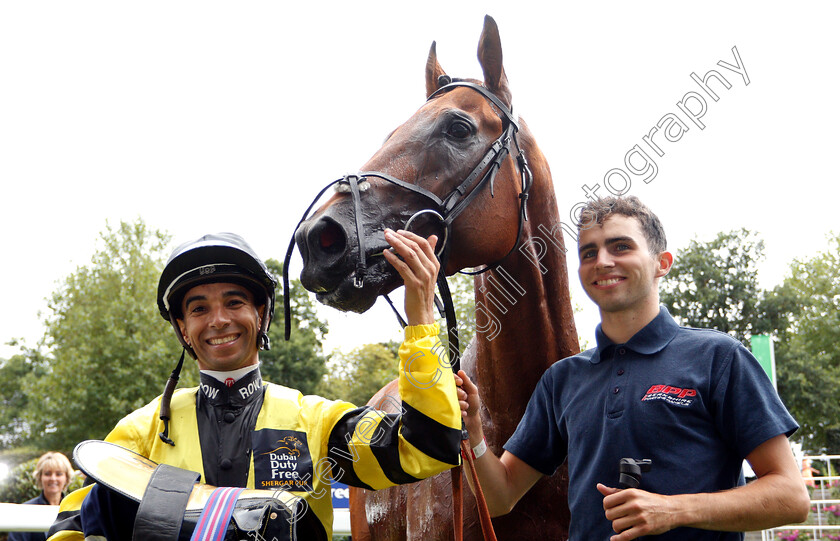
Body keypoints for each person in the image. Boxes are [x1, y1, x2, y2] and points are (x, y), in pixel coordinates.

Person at [48, 229, 461, 540]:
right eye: (199, 308)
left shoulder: (314, 421)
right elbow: (71, 527)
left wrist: (422, 320)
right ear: (183, 328)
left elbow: (426, 448)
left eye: (234, 302)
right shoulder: (139, 431)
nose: (219, 320)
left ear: (261, 315)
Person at [455, 196, 810, 540]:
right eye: (588, 252)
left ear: (662, 262)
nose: (602, 261)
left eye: (620, 246)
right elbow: (499, 498)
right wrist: (474, 435)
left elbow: (791, 497)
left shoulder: (720, 358)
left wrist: (674, 511)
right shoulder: (562, 379)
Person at [9, 452, 75, 541]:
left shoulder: (75, 510)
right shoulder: (25, 511)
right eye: (47, 474)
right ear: (40, 477)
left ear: (66, 478)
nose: (53, 478)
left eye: (59, 474)